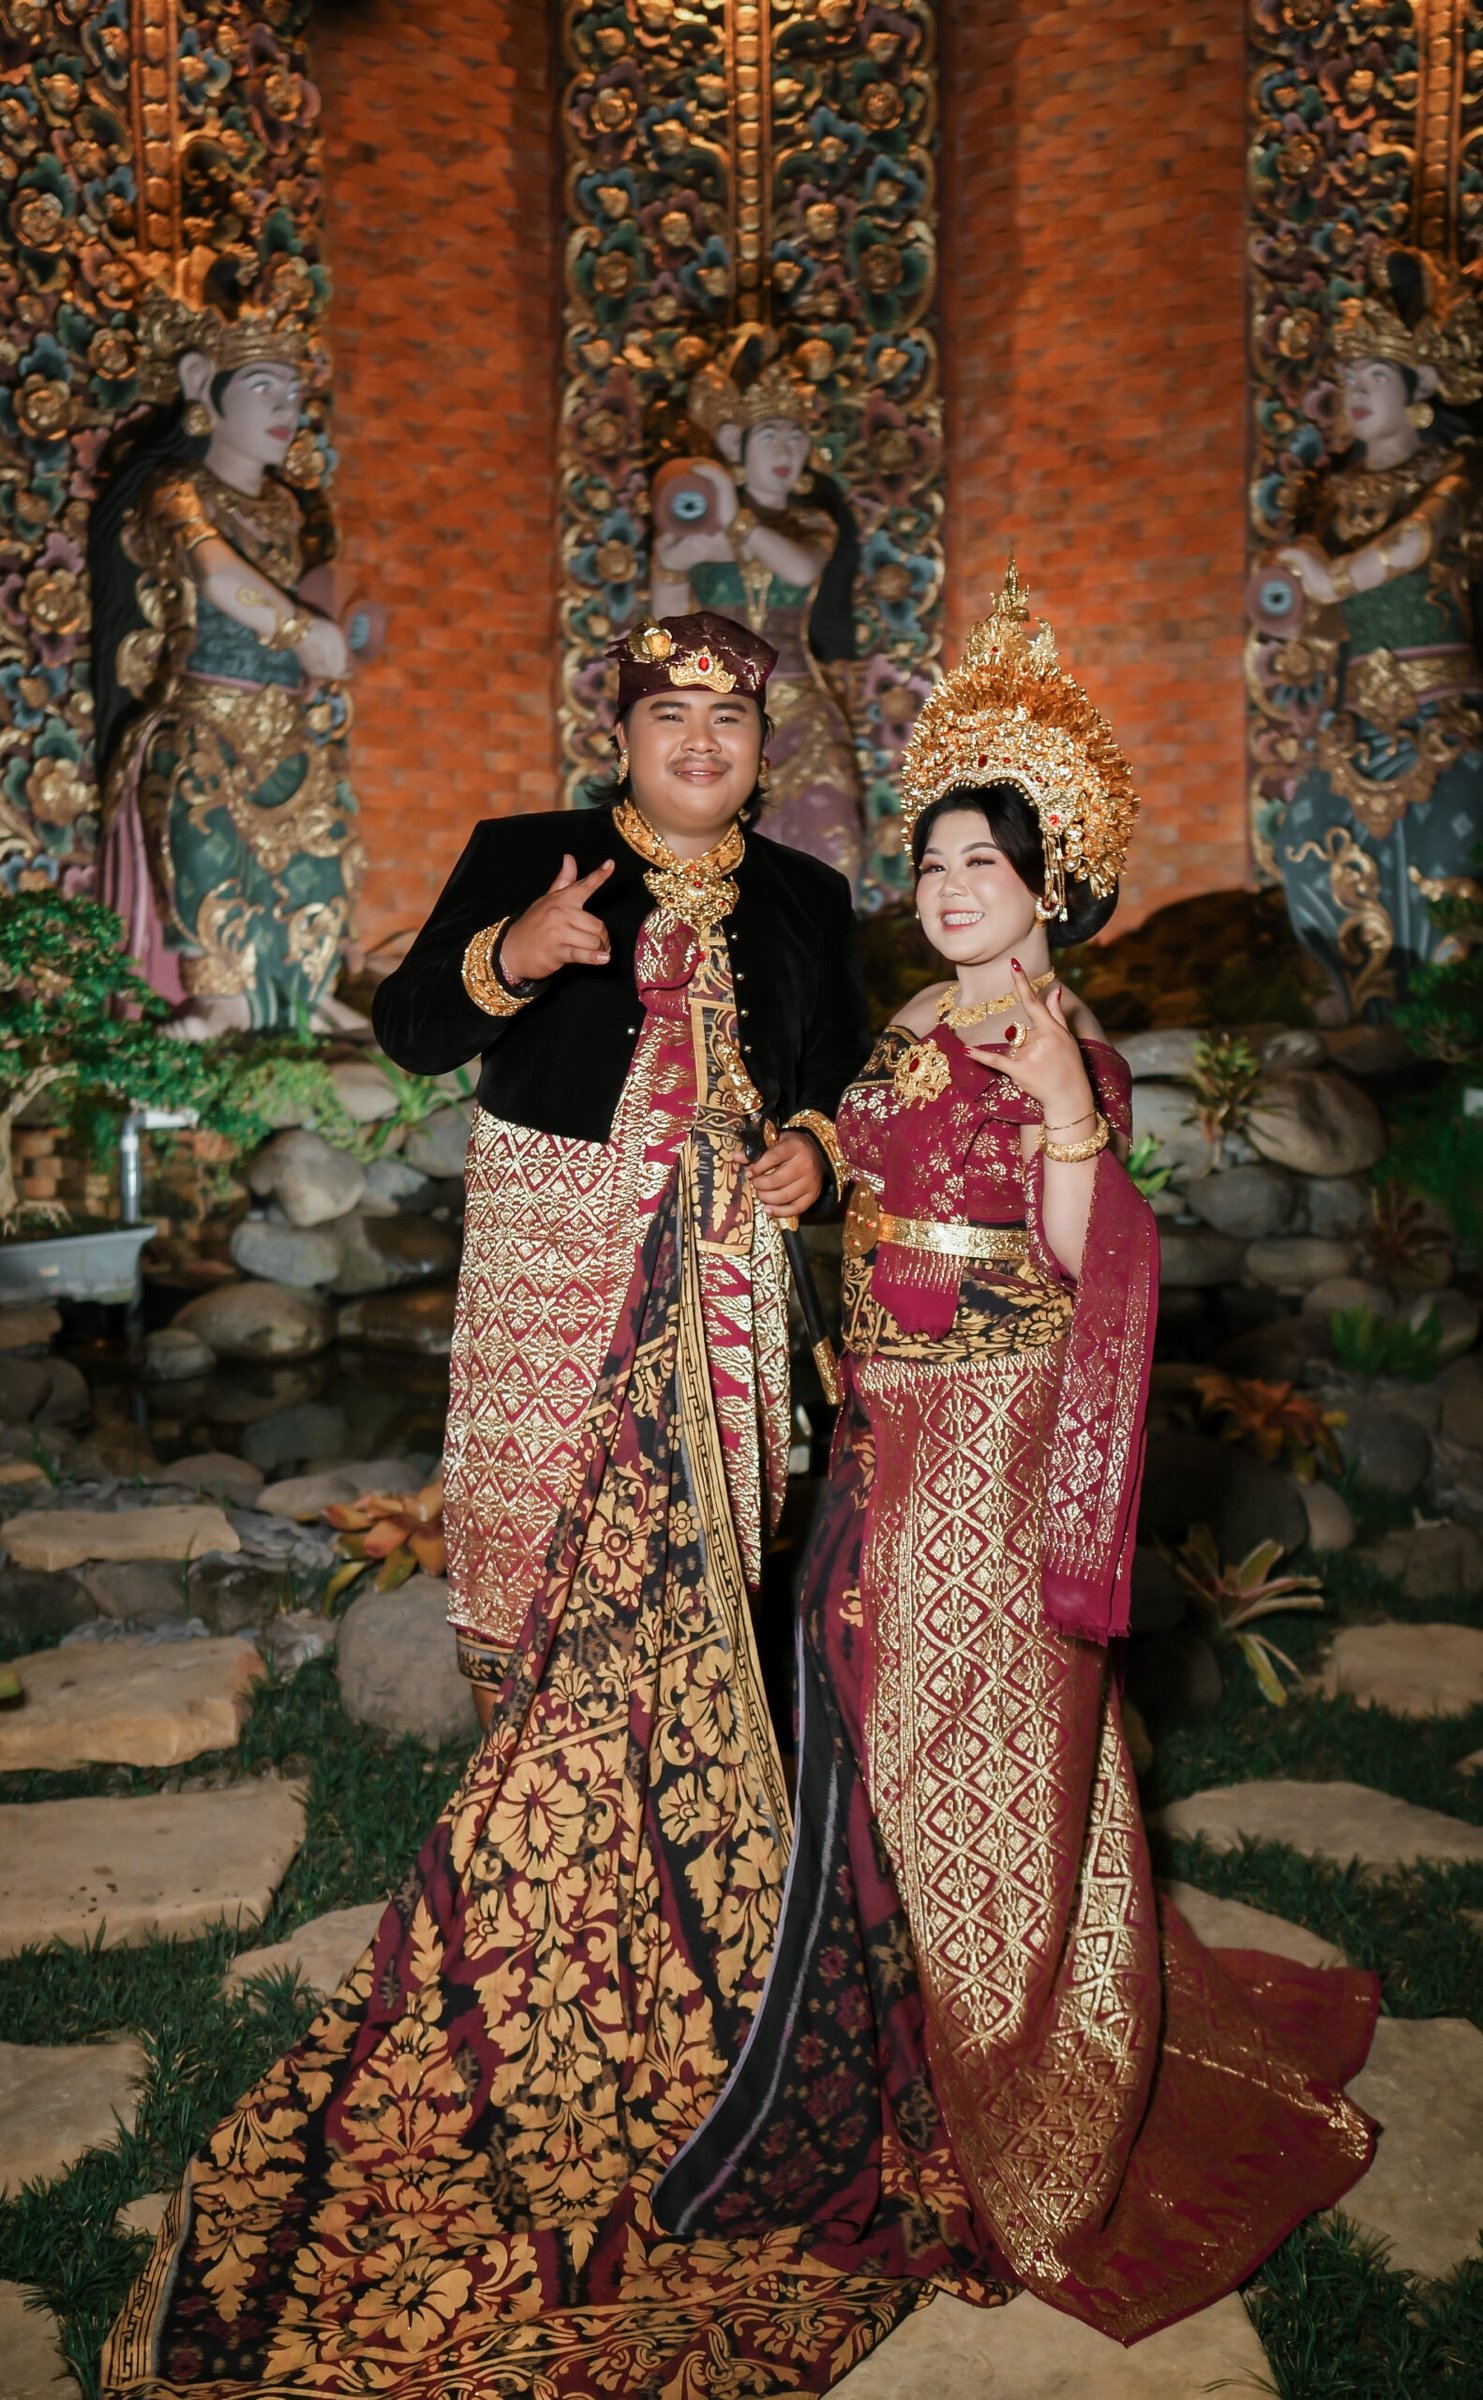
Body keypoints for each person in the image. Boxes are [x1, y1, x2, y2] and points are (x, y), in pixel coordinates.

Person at [101, 612, 922, 2396]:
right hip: (560, 1271)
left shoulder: (801, 897)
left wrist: (816, 1148)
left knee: (709, 1588)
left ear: (761, 742)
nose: (698, 740)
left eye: (728, 716)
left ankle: (700, 1913)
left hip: (725, 1290)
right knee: (551, 1579)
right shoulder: (527, 853)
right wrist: (514, 952)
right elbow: (410, 1031)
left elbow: (848, 1078)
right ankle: (545, 1908)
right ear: (618, 731)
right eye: (667, 712)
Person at [656, 567, 1382, 2345]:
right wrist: (816, 1171)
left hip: (987, 1434)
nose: (947, 887)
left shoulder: (1071, 1042)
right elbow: (876, 1160)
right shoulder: (916, 1023)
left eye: (981, 862)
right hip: (884, 1418)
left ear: (1049, 884)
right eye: (931, 863)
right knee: (862, 1711)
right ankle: (880, 2052)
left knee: (975, 1737)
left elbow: (1085, 1253)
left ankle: (1020, 2096)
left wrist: (1062, 1108)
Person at [89, 283, 365, 1035]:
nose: (287, 408)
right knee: (201, 829)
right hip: (204, 713)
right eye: (263, 387)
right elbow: (214, 575)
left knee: (324, 845)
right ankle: (217, 1000)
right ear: (199, 385)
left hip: (283, 720)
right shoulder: (178, 490)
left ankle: (302, 993)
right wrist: (298, 631)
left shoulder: (286, 509)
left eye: (295, 393)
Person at [1270, 246, 1483, 1020]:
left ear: (1420, 387)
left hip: (1445, 713)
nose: (1356, 391)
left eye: (1375, 377)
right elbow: (1314, 612)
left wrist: (1331, 576)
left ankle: (1453, 1021)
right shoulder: (1330, 493)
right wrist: (1297, 590)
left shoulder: (1457, 473)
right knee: (1302, 844)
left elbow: (1416, 541)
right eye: (1349, 377)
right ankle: (1358, 1004)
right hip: (1356, 718)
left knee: (1450, 865)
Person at [652, 348, 865, 884]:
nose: (786, 450)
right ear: (734, 445)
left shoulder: (812, 523)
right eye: (770, 436)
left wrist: (733, 516)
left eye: (795, 436)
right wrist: (670, 566)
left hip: (803, 710)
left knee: (834, 840)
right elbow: (667, 630)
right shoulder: (698, 527)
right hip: (721, 714)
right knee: (723, 857)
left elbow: (799, 568)